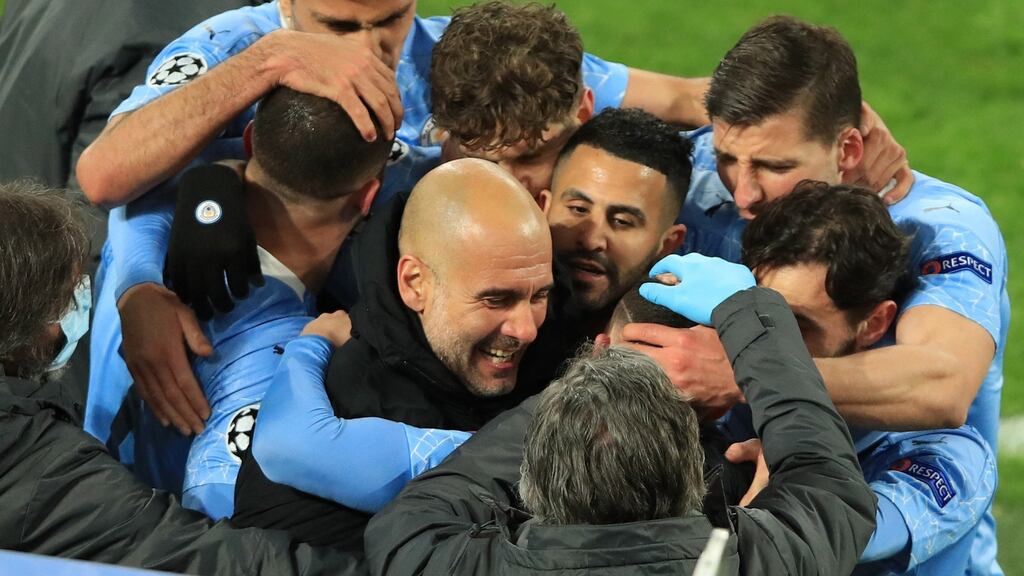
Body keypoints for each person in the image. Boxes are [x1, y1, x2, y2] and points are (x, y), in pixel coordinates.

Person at [79, 0, 711, 439]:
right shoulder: (236, 49)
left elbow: (692, 100)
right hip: (219, 327)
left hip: (374, 334)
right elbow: (112, 175)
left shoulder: (464, 61)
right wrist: (139, 282)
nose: (365, 51)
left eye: (389, 20)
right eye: (336, 24)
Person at [629, 18, 1008, 572]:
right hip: (734, 497)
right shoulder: (709, 172)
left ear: (848, 147)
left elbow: (943, 380)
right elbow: (540, 102)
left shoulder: (940, 228)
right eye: (729, 158)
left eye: (776, 166)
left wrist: (746, 370)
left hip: (897, 523)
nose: (744, 191)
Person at [362, 253, 876, 575]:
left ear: (539, 476)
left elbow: (423, 509)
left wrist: (606, 371)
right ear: (692, 477)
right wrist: (747, 312)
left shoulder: (448, 560)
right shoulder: (768, 559)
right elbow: (825, 475)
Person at [0, 180, 365, 575]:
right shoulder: (40, 472)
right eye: (68, 300)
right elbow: (201, 555)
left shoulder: (134, 281)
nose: (81, 308)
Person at [85, 86, 392, 515]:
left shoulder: (143, 230)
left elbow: (141, 167)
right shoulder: (279, 366)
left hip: (92, 500)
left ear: (249, 141)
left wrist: (221, 172)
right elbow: (222, 524)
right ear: (369, 197)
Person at [229, 159, 553, 552]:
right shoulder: (347, 403)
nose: (527, 329)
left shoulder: (539, 335)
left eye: (540, 295)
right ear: (415, 284)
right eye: (495, 299)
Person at [738, 182, 996, 574]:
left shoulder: (952, 458)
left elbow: (844, 535)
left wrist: (790, 479)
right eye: (760, 314)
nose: (768, 342)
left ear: (873, 323)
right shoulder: (734, 399)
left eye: (797, 324)